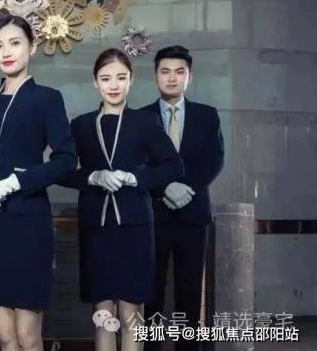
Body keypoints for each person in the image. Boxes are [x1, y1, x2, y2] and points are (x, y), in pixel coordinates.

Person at [0, 15, 77, 351]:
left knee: (28, 335)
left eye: (15, 43)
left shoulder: (47, 98)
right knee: (5, 336)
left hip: (29, 222)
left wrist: (17, 182)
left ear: (32, 47)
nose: (6, 52)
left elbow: (65, 160)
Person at [60, 48, 183, 351]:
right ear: (95, 82)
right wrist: (92, 176)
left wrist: (137, 177)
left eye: (120, 78)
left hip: (135, 226)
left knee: (131, 312)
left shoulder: (145, 122)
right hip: (96, 228)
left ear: (131, 80)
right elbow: (61, 170)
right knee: (103, 313)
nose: (113, 85)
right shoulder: (81, 125)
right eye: (105, 78)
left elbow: (173, 166)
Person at [142, 45, 224, 351]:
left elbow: (214, 160)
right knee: (151, 294)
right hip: (154, 216)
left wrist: (183, 189)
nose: (172, 78)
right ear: (155, 76)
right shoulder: (141, 118)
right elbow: (138, 164)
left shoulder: (207, 115)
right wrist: (164, 188)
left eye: (179, 72)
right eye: (165, 71)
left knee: (189, 294)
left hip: (193, 216)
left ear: (190, 76)